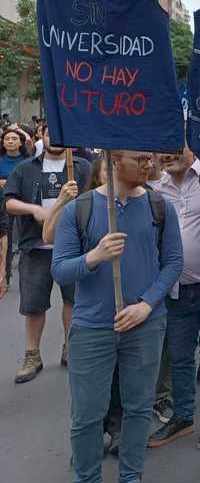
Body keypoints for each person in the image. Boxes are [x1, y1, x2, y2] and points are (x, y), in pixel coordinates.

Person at [52, 150, 183, 483]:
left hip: (145, 326)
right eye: (140, 158)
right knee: (87, 416)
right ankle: (87, 477)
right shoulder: (77, 209)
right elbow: (60, 270)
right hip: (92, 328)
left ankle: (131, 476)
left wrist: (146, 305)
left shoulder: (160, 206)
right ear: (112, 162)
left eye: (150, 158)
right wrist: (94, 256)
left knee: (139, 410)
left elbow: (172, 263)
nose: (149, 164)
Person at [147, 149, 200, 451]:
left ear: (190, 146)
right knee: (181, 358)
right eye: (162, 152)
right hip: (176, 290)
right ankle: (183, 417)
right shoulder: (156, 190)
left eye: (173, 148)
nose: (166, 156)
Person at [3, 128, 90, 381]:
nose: (56, 138)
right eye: (50, 133)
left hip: (73, 247)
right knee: (33, 304)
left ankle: (70, 349)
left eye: (62, 133)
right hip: (36, 246)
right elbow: (8, 201)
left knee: (73, 301)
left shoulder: (83, 167)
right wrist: (33, 209)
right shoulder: (25, 168)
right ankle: (32, 355)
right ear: (42, 136)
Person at [0, 125, 31, 299]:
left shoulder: (28, 161)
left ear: (20, 142)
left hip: (24, 202)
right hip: (3, 203)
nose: (10, 142)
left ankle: (29, 267)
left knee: (25, 235)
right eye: (7, 139)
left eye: (14, 139)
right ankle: (6, 274)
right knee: (6, 238)